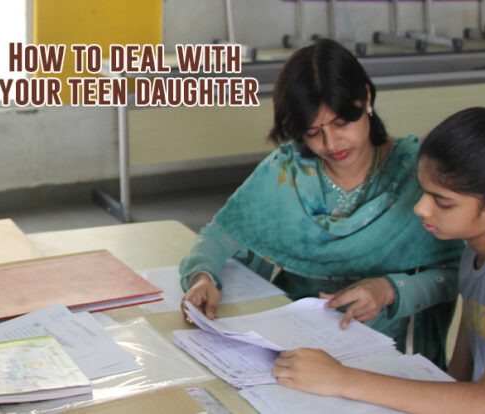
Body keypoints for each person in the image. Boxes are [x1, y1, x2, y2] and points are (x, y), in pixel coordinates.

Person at [272, 107, 485, 413]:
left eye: (442, 202)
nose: (421, 208)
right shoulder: (475, 253)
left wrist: (341, 379)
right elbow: (458, 377)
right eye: (424, 192)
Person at [179, 39, 463, 367]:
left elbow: (457, 271)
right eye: (313, 133)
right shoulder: (287, 170)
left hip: (387, 353)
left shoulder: (416, 174)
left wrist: (389, 290)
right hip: (289, 343)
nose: (331, 143)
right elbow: (218, 236)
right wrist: (203, 279)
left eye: (341, 124)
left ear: (367, 98)